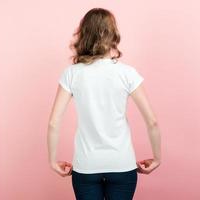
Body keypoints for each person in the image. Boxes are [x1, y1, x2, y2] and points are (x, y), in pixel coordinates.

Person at [47, 8, 161, 200]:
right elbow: (152, 122)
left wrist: (52, 161)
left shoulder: (72, 73)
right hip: (122, 165)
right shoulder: (127, 73)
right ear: (113, 34)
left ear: (84, 34)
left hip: (86, 166)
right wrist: (157, 158)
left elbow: (53, 123)